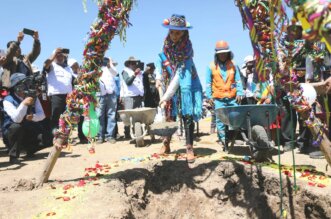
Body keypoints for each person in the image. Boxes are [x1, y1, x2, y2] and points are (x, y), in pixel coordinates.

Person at [156, 14, 203, 163]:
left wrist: (165, 97)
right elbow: (159, 59)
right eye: (171, 32)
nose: (174, 36)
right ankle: (166, 143)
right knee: (170, 115)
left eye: (177, 33)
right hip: (170, 82)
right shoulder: (166, 46)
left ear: (184, 33)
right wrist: (158, 77)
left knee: (187, 114)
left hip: (186, 84)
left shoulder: (187, 52)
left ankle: (189, 147)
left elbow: (178, 78)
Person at [205, 40, 244, 150]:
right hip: (218, 99)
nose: (223, 55)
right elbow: (208, 83)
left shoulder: (233, 64)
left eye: (225, 53)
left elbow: (238, 80)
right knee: (221, 121)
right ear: (216, 54)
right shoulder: (211, 66)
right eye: (220, 53)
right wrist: (209, 96)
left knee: (236, 118)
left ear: (228, 53)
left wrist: (240, 92)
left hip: (232, 97)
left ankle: (234, 138)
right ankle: (223, 141)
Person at [2, 73, 47, 164]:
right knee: (16, 127)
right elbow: (16, 119)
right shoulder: (8, 100)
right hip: (11, 133)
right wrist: (24, 104)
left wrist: (33, 117)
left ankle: (29, 150)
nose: (26, 87)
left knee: (48, 136)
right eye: (23, 85)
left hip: (28, 127)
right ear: (16, 87)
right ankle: (13, 156)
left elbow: (42, 115)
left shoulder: (33, 96)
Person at [43, 48, 73, 134]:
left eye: (61, 55)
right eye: (57, 55)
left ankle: (65, 136)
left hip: (68, 96)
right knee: (56, 116)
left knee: (68, 116)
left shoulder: (68, 68)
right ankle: (55, 136)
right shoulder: (51, 65)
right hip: (56, 95)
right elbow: (45, 65)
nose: (60, 56)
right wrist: (54, 53)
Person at [121, 56, 144, 139]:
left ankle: (137, 132)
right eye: (133, 63)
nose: (135, 64)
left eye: (135, 63)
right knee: (128, 116)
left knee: (137, 116)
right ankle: (127, 134)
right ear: (129, 64)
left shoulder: (138, 72)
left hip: (138, 96)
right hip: (129, 97)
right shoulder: (125, 71)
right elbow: (128, 82)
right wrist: (135, 74)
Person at [97, 57, 117, 144]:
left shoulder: (110, 69)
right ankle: (100, 137)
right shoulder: (96, 69)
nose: (104, 62)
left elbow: (115, 73)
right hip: (100, 95)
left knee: (111, 115)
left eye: (106, 60)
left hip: (111, 94)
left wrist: (110, 65)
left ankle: (110, 136)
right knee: (99, 115)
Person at [67, 58, 88, 144]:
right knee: (72, 118)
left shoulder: (83, 74)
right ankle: (68, 138)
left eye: (76, 64)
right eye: (73, 66)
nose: (75, 67)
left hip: (83, 98)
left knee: (82, 118)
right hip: (74, 99)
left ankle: (82, 136)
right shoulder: (70, 75)